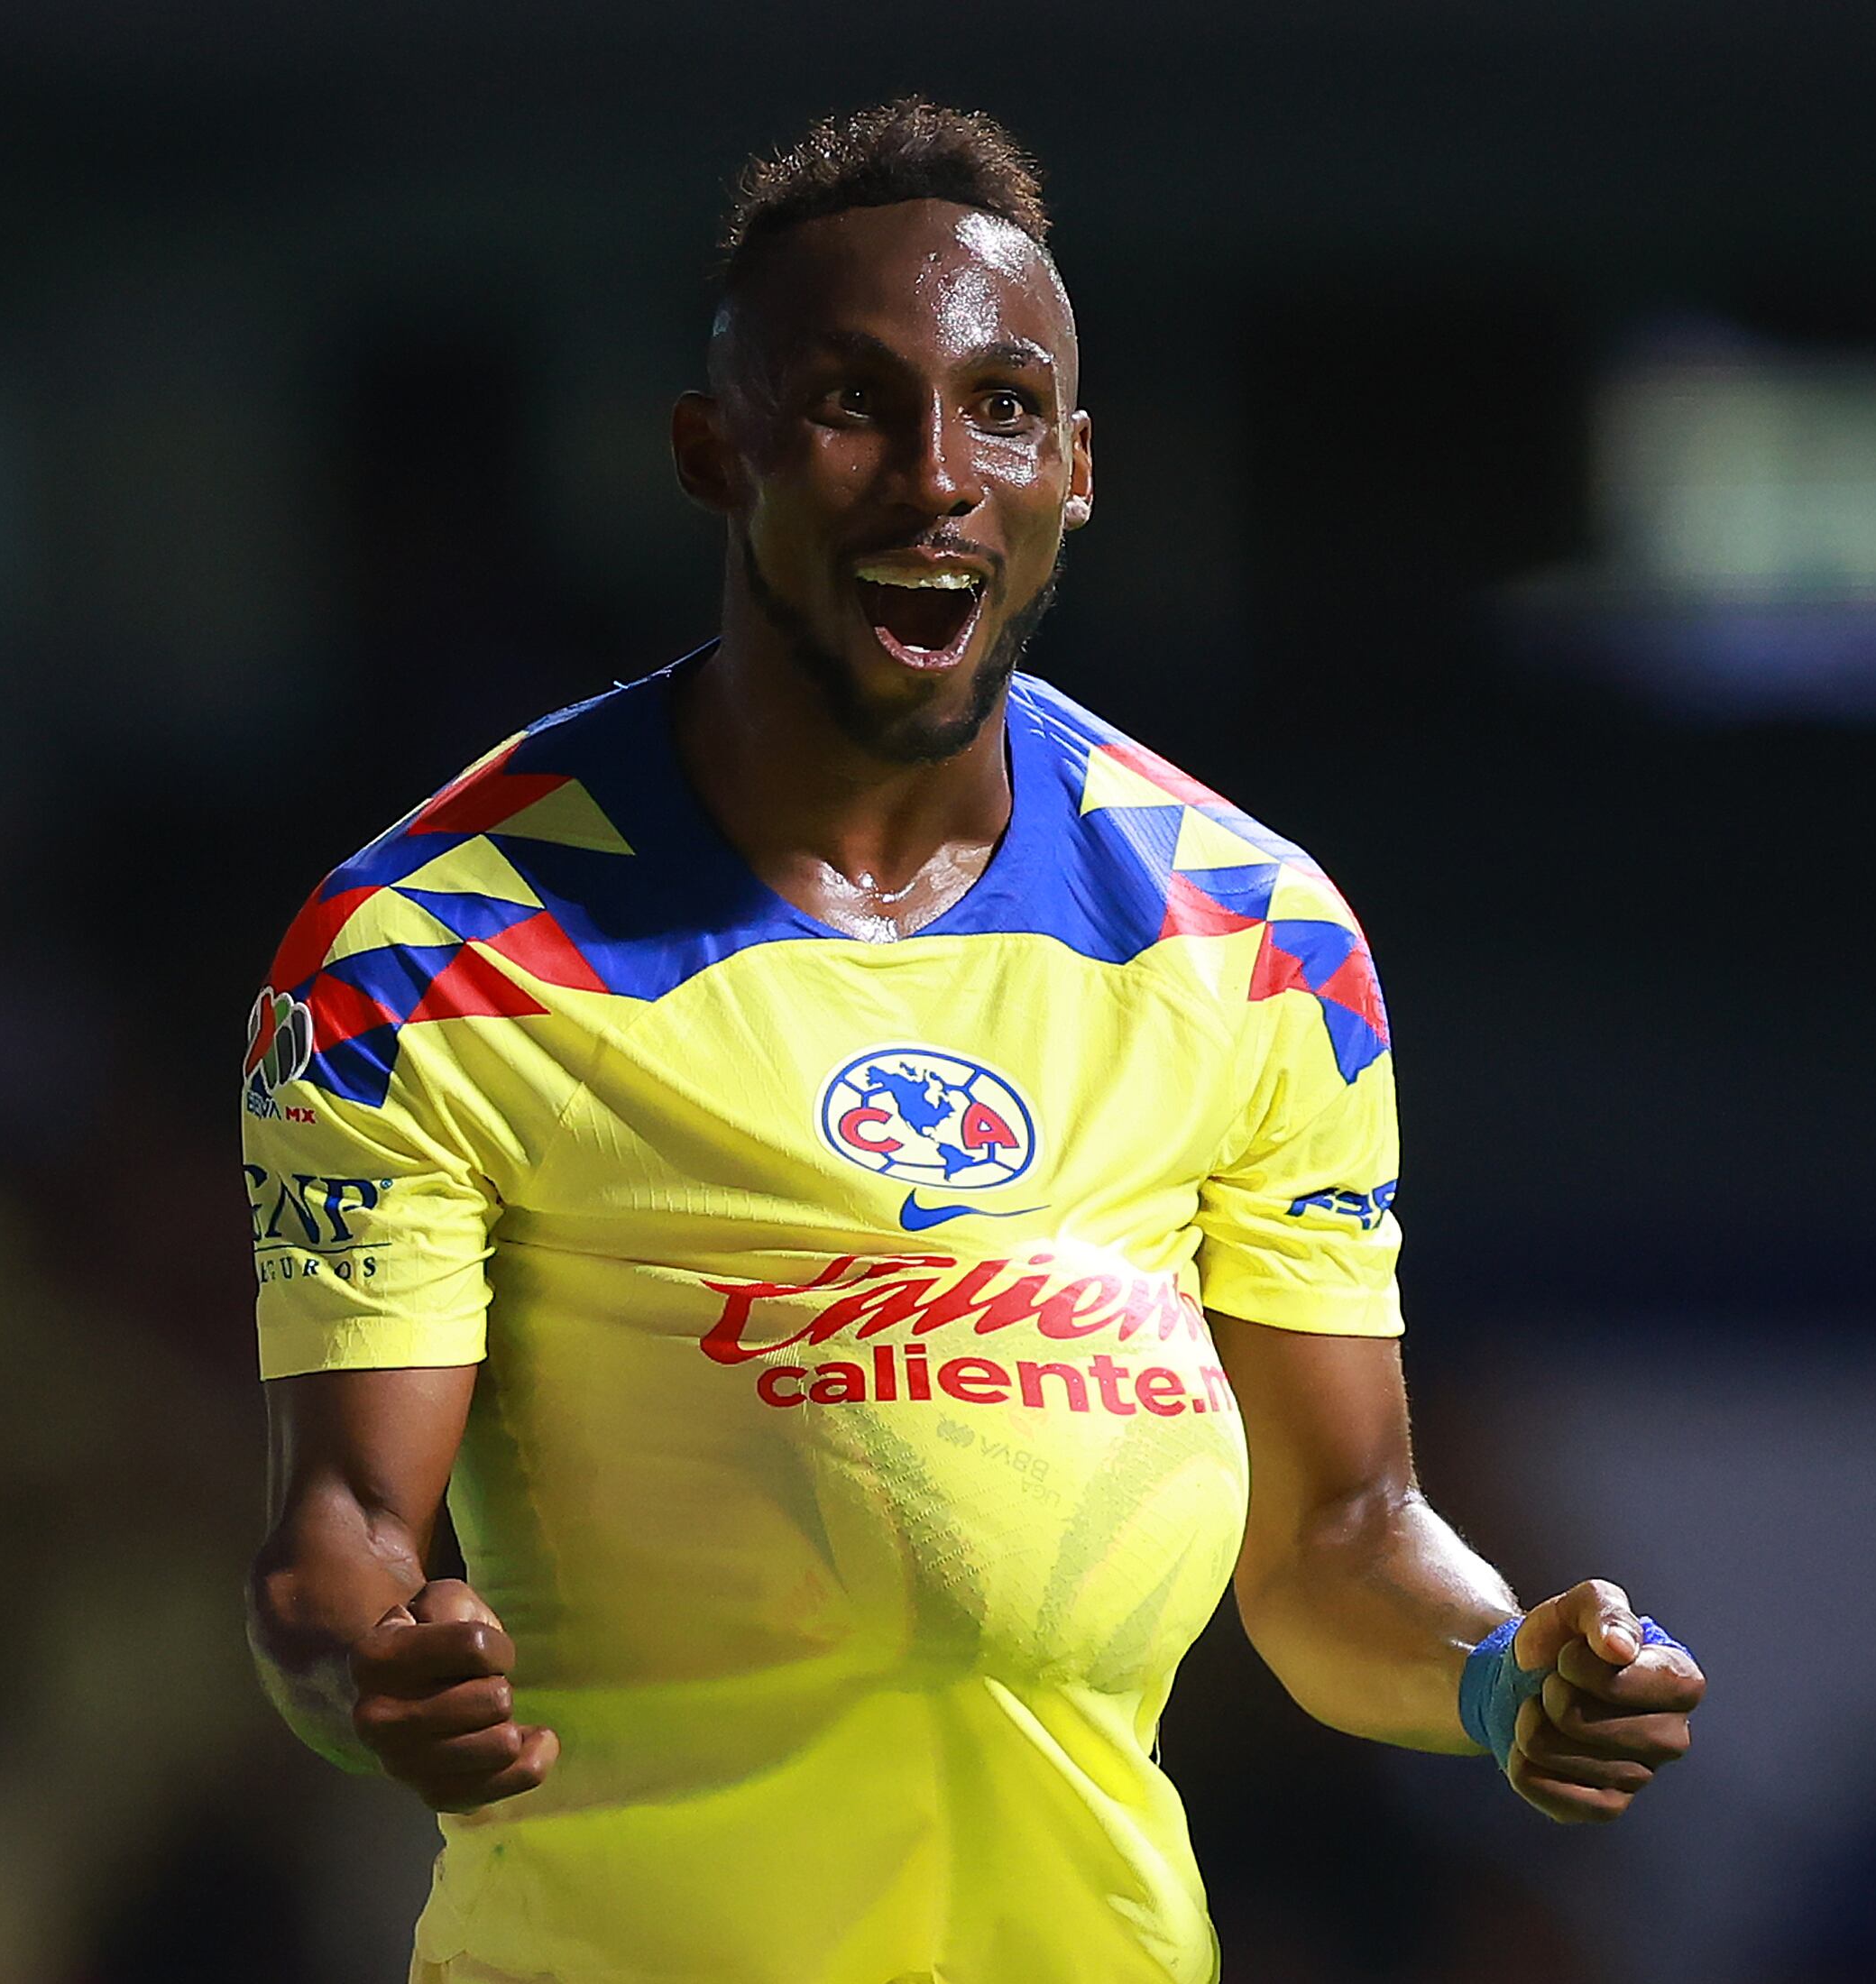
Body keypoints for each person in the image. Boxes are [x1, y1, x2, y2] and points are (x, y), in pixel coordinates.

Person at [243, 98, 1705, 1984]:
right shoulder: (425, 953)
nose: (937, 471)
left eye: (1002, 406)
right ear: (716, 450)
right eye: (853, 402)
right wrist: (375, 1670)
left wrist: (1503, 1673)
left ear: (1077, 468)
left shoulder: (1257, 941)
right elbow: (337, 1534)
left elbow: (1340, 1534)